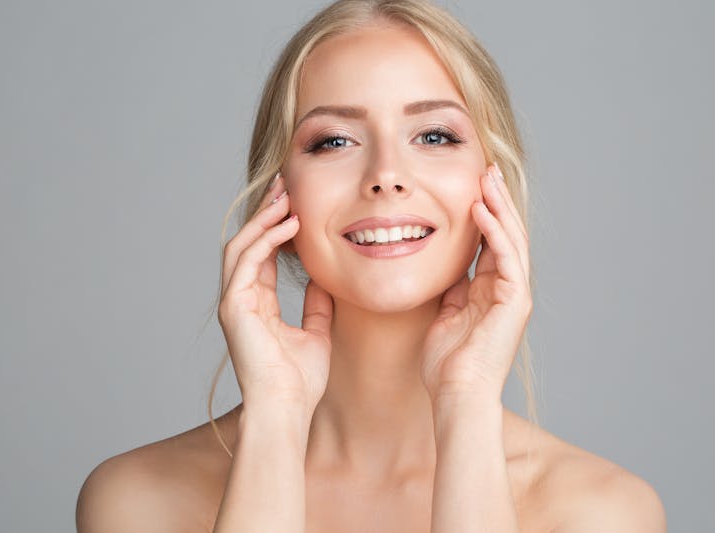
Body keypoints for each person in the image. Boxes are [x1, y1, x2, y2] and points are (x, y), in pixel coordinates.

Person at [76, 1, 666, 531]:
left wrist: (466, 402)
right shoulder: (137, 500)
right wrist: (276, 417)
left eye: (434, 135)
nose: (386, 173)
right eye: (333, 141)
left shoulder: (605, 512)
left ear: (495, 187)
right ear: (277, 195)